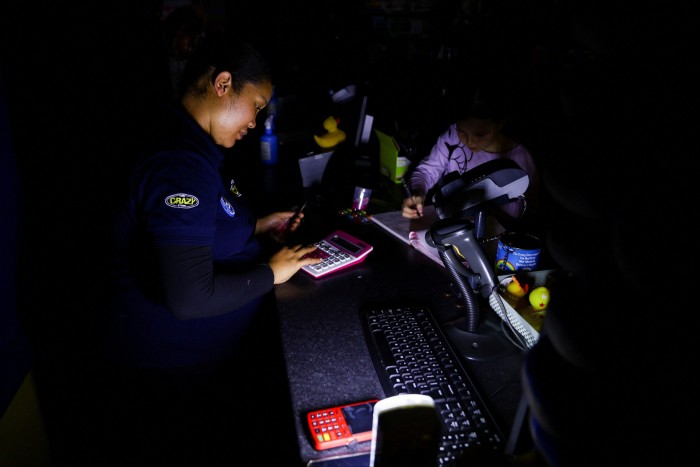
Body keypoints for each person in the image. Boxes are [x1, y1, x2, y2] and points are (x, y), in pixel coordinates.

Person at [100, 32, 320, 466]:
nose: (255, 122)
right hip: (170, 368)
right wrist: (272, 272)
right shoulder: (177, 163)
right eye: (256, 106)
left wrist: (257, 226)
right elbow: (189, 297)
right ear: (223, 84)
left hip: (195, 359)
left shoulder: (191, 145)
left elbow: (192, 224)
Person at [402, 85, 540, 236]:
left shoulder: (521, 159)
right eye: (461, 131)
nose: (470, 141)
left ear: (500, 123)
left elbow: (531, 212)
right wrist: (417, 193)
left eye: (480, 134)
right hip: (454, 233)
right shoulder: (451, 140)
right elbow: (426, 171)